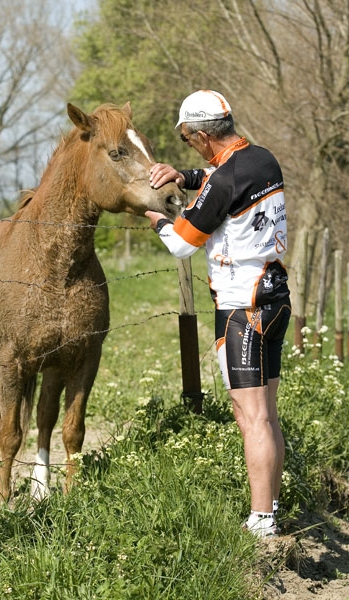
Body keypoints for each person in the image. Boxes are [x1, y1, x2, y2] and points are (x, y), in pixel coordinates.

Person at [145, 90, 291, 538]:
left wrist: (155, 218)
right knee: (267, 412)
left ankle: (261, 521)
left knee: (253, 418)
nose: (191, 147)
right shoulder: (262, 159)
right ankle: (273, 502)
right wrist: (187, 176)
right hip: (276, 296)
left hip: (240, 309)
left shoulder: (223, 180)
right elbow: (219, 178)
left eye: (190, 140)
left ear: (205, 134)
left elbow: (182, 244)